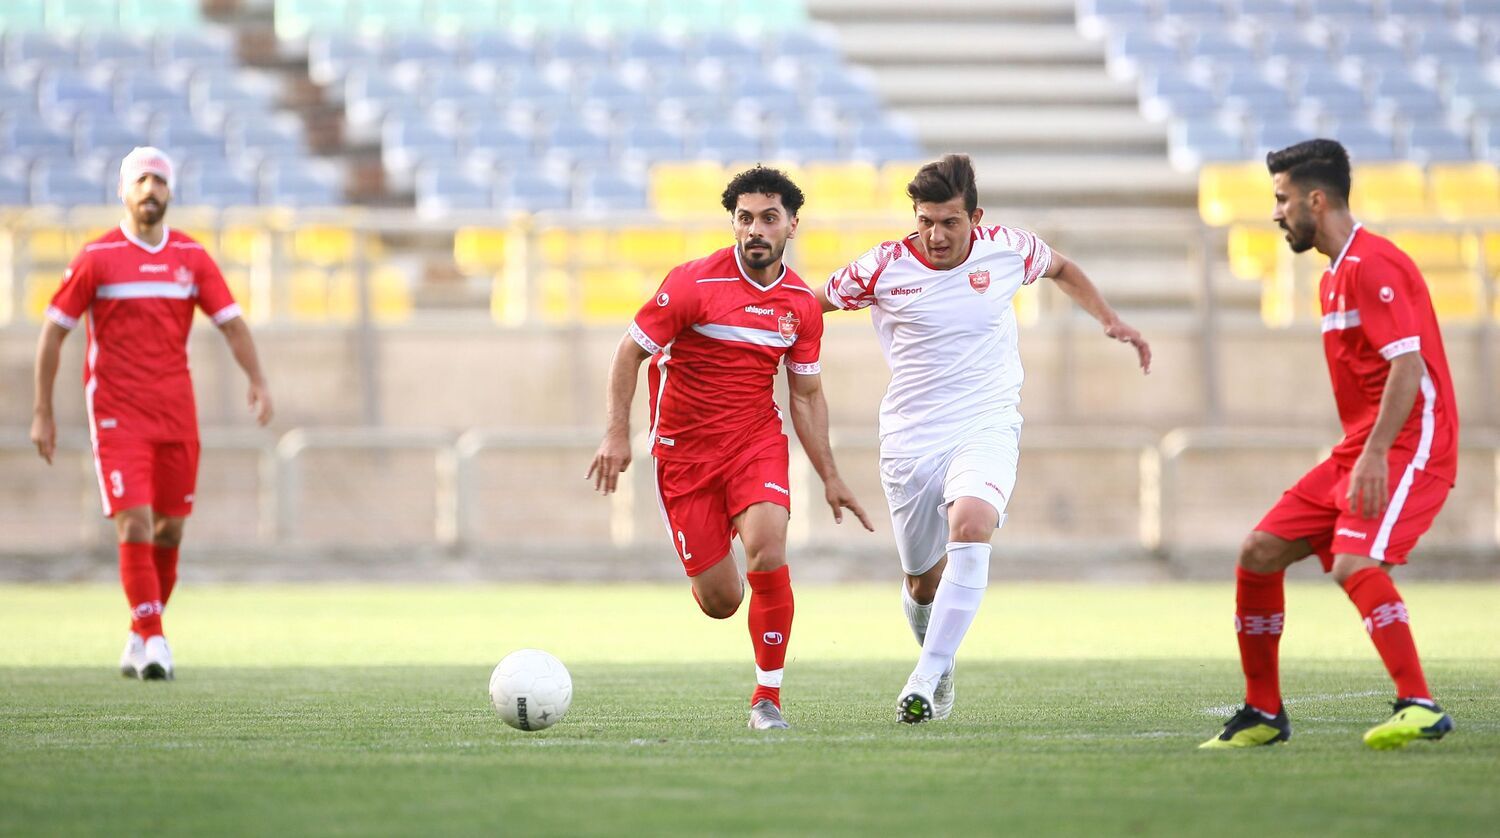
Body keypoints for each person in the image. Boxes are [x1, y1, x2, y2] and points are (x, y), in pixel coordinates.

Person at [817, 153, 1151, 724]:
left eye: (949, 222)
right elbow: (807, 305)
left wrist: (1108, 319)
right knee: (922, 584)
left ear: (976, 217)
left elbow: (1062, 268)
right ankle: (940, 661)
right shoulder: (882, 266)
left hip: (986, 422)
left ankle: (925, 677)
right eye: (925, 221)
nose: (936, 235)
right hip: (910, 439)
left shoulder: (1007, 249)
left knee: (972, 523)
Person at [588, 166, 872, 730]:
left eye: (769, 218)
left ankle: (767, 699)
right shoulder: (693, 284)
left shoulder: (801, 305)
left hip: (754, 444)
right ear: (733, 224)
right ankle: (718, 571)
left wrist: (830, 475)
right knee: (722, 602)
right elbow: (629, 352)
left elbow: (806, 396)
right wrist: (617, 432)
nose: (755, 230)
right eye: (745, 219)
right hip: (684, 455)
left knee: (768, 546)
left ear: (792, 225)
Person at [1201, 139, 1457, 751]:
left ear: (1316, 200)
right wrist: (1360, 450)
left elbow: (1407, 367)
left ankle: (1419, 705)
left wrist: (1375, 454)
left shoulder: (1375, 264)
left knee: (1354, 563)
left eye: (1282, 199)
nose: (1276, 213)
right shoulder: (1333, 277)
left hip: (1411, 444)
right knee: (1259, 552)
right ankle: (1263, 713)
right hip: (1362, 447)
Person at [30, 147, 273, 680]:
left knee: (169, 531)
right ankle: (155, 639)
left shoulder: (190, 257)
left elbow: (232, 324)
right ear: (123, 191)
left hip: (176, 413)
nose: (150, 189)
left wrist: (257, 379)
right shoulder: (97, 257)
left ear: (171, 192)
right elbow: (53, 332)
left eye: (159, 181)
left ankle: (139, 634)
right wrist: (43, 410)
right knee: (135, 521)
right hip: (117, 413)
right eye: (140, 181)